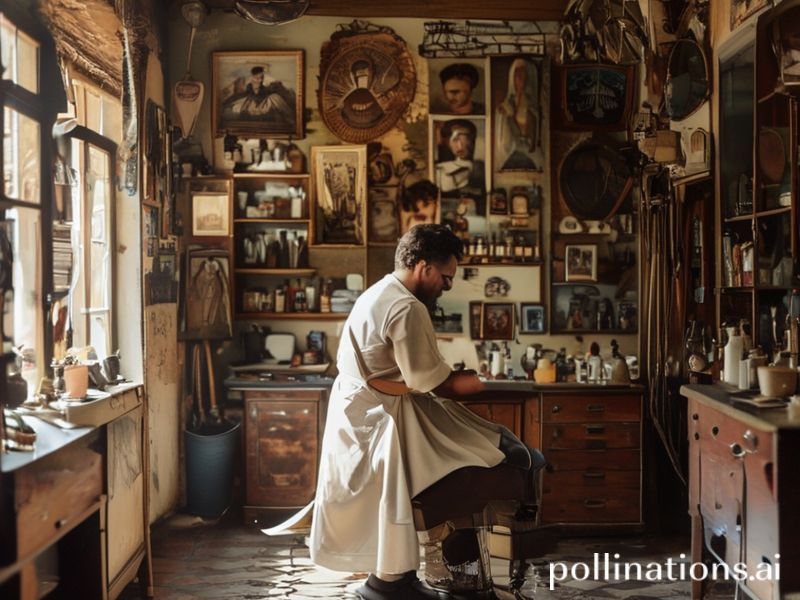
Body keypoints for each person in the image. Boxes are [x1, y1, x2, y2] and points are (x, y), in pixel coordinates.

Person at [310, 224, 537, 600]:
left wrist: (446, 380)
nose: (446, 286)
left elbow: (413, 375)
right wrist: (475, 383)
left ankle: (393, 578)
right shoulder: (406, 306)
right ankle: (390, 583)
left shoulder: (380, 291)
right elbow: (434, 382)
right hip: (379, 418)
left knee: (396, 493)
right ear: (421, 265)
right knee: (489, 449)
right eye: (445, 278)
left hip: (361, 411)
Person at [495, 58, 544, 171]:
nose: (519, 77)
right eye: (516, 72)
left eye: (523, 72)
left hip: (531, 154)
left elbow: (536, 135)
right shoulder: (507, 105)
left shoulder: (534, 106)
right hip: (511, 153)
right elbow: (502, 139)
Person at [224, 65, 295, 124]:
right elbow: (254, 98)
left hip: (261, 103)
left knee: (275, 97)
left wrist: (272, 88)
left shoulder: (261, 86)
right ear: (253, 77)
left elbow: (264, 93)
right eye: (257, 78)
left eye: (261, 78)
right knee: (274, 97)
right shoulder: (250, 86)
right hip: (254, 107)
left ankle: (290, 117)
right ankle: (291, 118)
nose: (260, 80)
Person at [434, 118, 485, 197]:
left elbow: (445, 185)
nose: (460, 146)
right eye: (455, 140)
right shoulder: (442, 163)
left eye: (466, 139)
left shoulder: (476, 168)